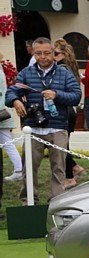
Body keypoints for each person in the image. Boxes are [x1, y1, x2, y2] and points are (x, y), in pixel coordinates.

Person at [6, 37, 81, 203]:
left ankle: (56, 201)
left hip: (58, 127)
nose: (43, 57)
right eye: (38, 53)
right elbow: (10, 92)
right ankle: (29, 201)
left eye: (47, 53)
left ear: (53, 54)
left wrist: (57, 94)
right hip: (33, 129)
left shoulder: (64, 73)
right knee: (29, 168)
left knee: (59, 168)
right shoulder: (26, 73)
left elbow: (76, 96)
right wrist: (15, 100)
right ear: (34, 53)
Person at [54, 39, 85, 188]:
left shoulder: (62, 69)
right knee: (63, 144)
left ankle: (69, 177)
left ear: (63, 54)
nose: (51, 56)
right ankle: (74, 168)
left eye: (55, 53)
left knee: (61, 145)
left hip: (65, 111)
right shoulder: (71, 67)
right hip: (69, 111)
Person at [1, 54, 22, 183]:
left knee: (8, 144)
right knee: (8, 143)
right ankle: (19, 169)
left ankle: (19, 170)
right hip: (3, 112)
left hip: (1, 114)